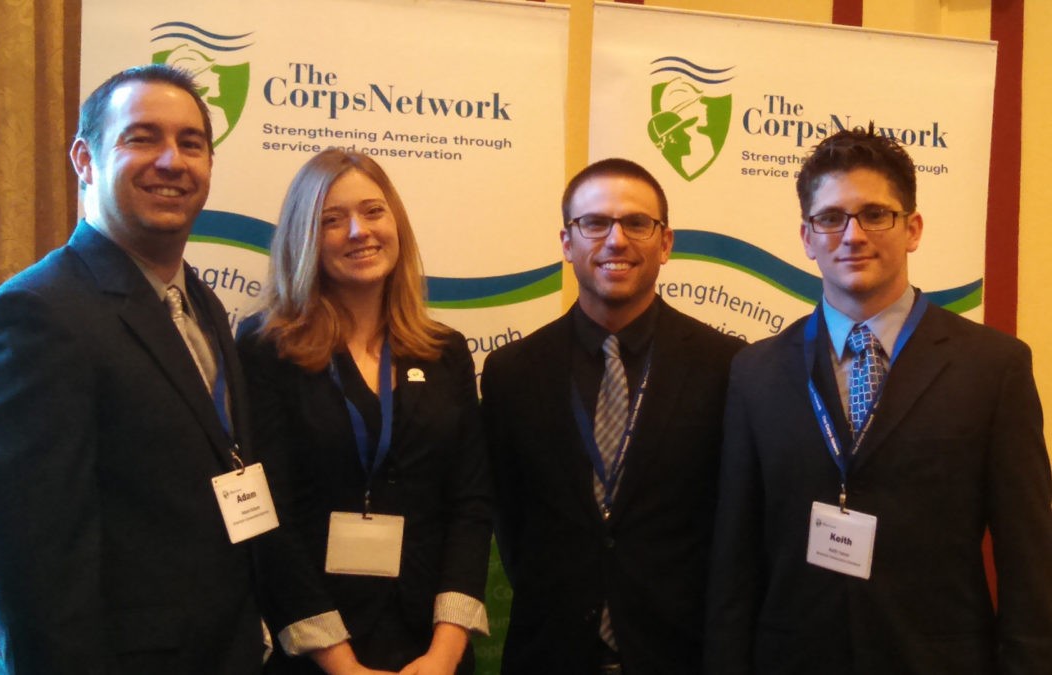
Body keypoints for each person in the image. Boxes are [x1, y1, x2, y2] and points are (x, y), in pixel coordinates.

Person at [704, 126, 1052, 674]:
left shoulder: (993, 367)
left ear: (912, 228)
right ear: (806, 235)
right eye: (831, 217)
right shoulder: (756, 372)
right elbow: (734, 559)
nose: (852, 235)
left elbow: (1029, 557)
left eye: (875, 214)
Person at [0, 64, 268, 673]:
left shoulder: (200, 301)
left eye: (191, 143)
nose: (171, 161)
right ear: (84, 159)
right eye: (142, 137)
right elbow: (26, 561)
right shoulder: (36, 313)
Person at [482, 158, 744, 674]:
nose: (616, 240)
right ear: (566, 242)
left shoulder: (727, 367)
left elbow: (731, 522)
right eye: (595, 223)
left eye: (636, 223)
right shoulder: (512, 372)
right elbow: (510, 523)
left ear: (665, 242)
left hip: (680, 652)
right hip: (550, 652)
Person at [236, 149, 491, 675]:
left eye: (374, 211)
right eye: (332, 219)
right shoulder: (266, 350)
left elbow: (470, 505)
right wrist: (340, 664)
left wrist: (445, 653)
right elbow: (266, 518)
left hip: (430, 648)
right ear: (305, 237)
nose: (359, 231)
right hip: (315, 650)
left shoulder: (444, 351)